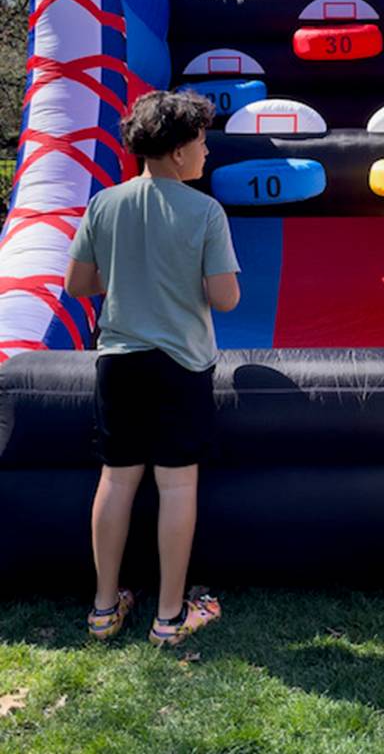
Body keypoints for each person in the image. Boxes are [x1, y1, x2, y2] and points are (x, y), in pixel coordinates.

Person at [65, 90, 240, 646]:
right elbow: (226, 296)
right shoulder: (205, 211)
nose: (207, 152)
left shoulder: (104, 204)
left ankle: (102, 607)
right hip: (181, 365)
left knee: (116, 481)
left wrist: (127, 278)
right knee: (177, 485)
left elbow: (78, 285)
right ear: (178, 150)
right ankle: (169, 617)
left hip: (118, 361)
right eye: (202, 141)